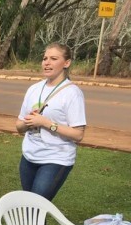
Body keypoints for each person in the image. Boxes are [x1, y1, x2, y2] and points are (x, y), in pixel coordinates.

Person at [15, 42, 86, 200]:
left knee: (35, 206)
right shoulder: (33, 89)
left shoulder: (72, 93)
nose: (47, 62)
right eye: (45, 58)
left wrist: (45, 123)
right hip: (29, 157)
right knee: (31, 208)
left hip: (56, 159)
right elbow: (18, 127)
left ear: (66, 63)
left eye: (54, 58)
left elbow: (78, 134)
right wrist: (29, 122)